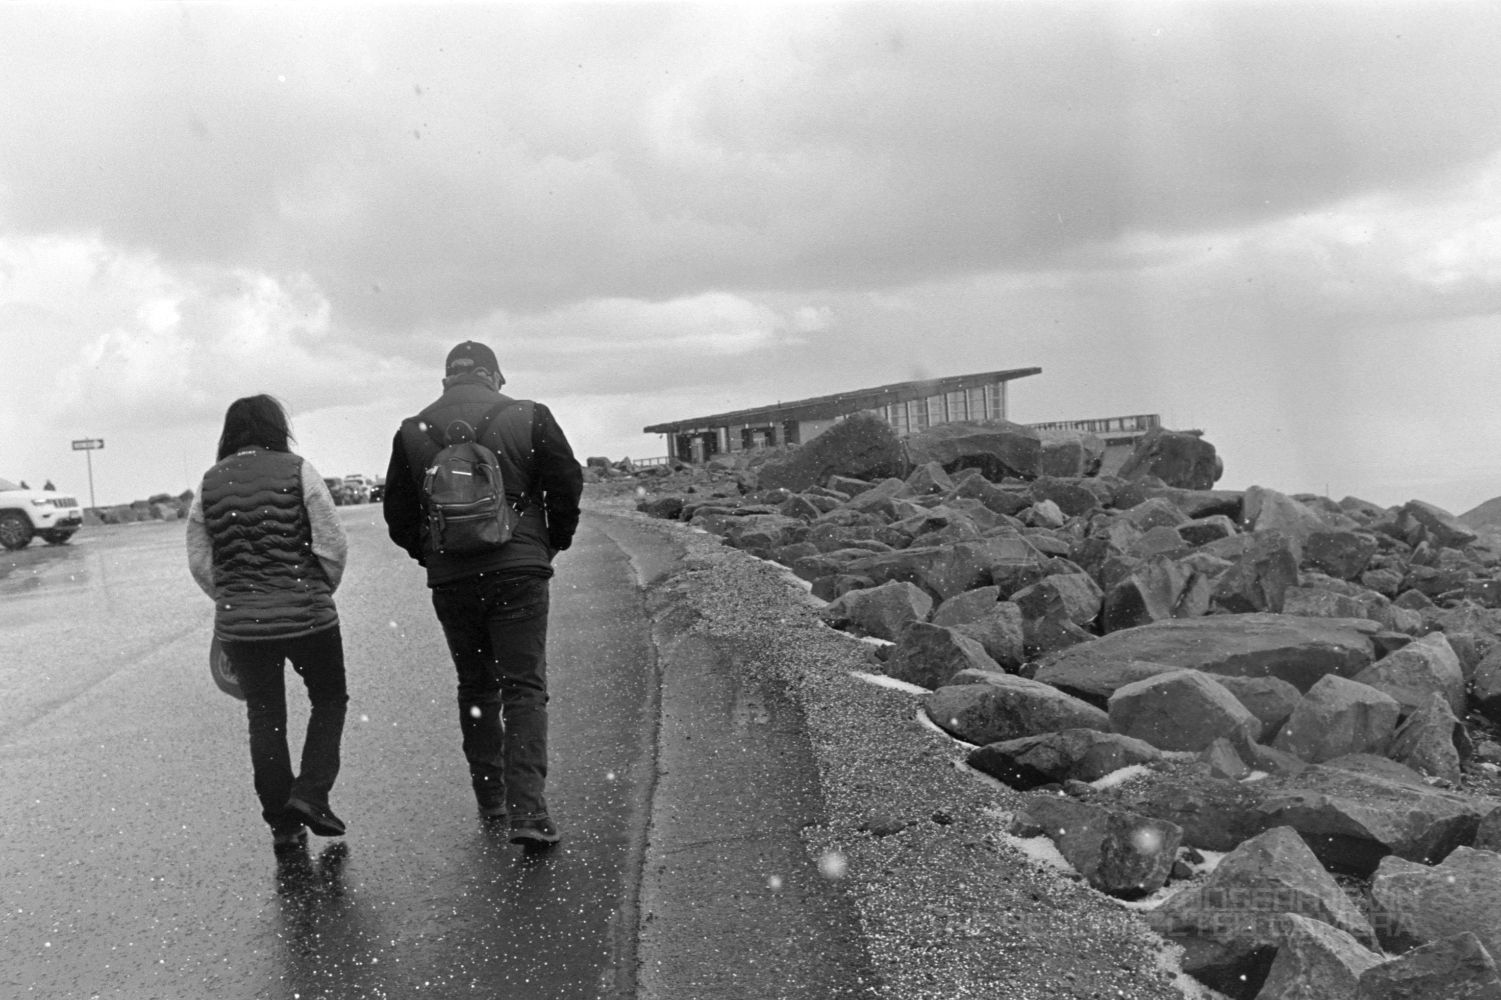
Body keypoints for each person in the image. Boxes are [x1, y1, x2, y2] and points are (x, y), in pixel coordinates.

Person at [383, 341, 582, 849]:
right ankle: (529, 811)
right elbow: (566, 484)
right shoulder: (530, 416)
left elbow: (398, 516)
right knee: (523, 688)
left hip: (452, 579)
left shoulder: (412, 430)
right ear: (494, 376)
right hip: (519, 572)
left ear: (446, 379)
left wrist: (434, 554)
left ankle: (491, 797)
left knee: (475, 687)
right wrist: (549, 543)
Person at [186, 394, 350, 855]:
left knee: (265, 716)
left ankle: (283, 825)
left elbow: (199, 558)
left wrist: (231, 597)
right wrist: (318, 591)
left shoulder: (210, 483)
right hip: (309, 616)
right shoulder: (299, 471)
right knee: (329, 700)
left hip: (244, 625)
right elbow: (332, 543)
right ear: (277, 428)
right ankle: (311, 794)